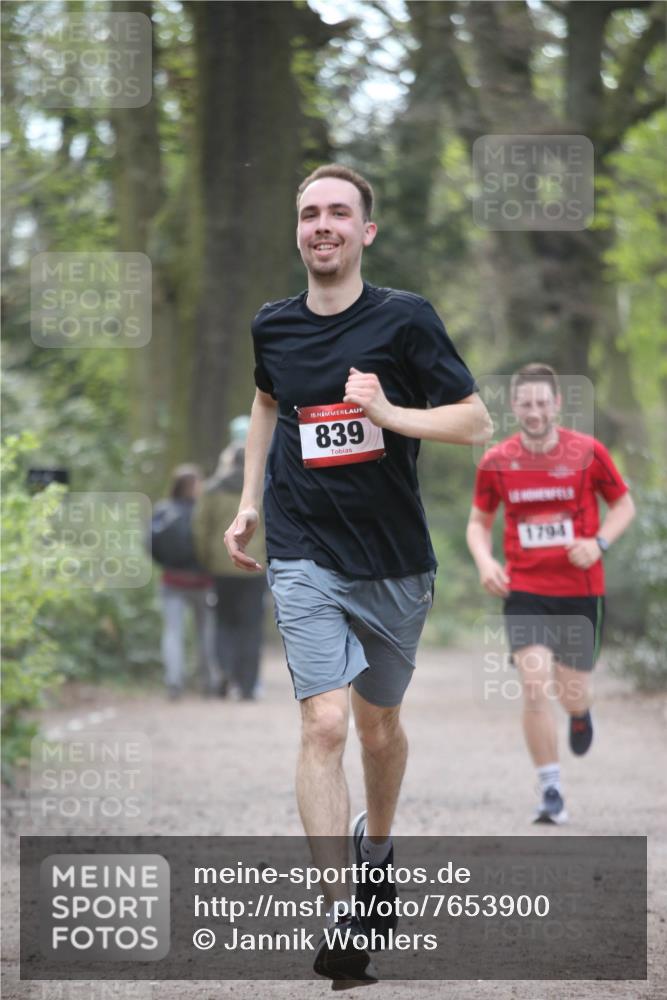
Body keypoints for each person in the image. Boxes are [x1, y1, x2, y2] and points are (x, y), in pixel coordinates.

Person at [224, 163, 492, 983]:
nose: (322, 225)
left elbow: (475, 420)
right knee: (324, 726)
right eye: (308, 214)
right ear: (298, 231)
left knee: (377, 727)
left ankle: (377, 849)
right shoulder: (273, 326)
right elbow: (270, 400)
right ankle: (340, 910)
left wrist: (387, 414)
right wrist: (249, 502)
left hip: (394, 563)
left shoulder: (405, 321)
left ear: (364, 231)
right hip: (305, 550)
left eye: (338, 212)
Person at [466, 363, 635, 824]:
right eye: (526, 403)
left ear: (557, 404)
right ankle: (551, 789)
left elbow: (623, 504)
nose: (535, 411)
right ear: (514, 406)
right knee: (535, 686)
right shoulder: (497, 461)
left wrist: (597, 542)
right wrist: (486, 563)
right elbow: (478, 523)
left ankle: (580, 714)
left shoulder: (589, 452)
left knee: (571, 691)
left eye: (543, 403)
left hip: (580, 590)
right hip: (525, 590)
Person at [193, 429, 267, 700]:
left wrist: (206, 561)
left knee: (224, 622)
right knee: (251, 626)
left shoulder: (212, 490)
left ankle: (223, 672)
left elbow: (201, 528)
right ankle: (247, 685)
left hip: (221, 567)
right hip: (254, 568)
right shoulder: (259, 491)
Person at [152, 464, 219, 699]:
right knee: (206, 633)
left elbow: (150, 543)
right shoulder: (204, 510)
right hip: (202, 581)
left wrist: (166, 564)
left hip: (172, 580)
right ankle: (208, 681)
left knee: (172, 632)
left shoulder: (162, 509)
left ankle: (174, 681)